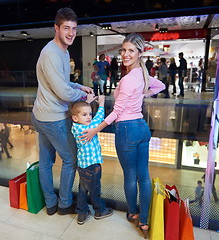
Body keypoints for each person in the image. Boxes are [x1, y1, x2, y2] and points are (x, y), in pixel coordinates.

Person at [80, 33, 165, 239]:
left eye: (131, 51)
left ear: (139, 53)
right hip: (142, 127)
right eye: (123, 50)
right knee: (143, 176)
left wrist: (94, 130)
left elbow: (116, 113)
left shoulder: (128, 80)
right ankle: (144, 221)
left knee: (130, 176)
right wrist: (141, 94)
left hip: (126, 130)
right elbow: (160, 86)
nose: (125, 54)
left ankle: (133, 212)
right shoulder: (142, 76)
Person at [31, 7, 94, 216]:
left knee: (46, 162)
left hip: (42, 115)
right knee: (71, 160)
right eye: (66, 28)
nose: (71, 33)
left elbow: (61, 82)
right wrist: (84, 97)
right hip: (53, 118)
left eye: (74, 29)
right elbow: (61, 91)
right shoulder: (51, 53)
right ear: (56, 28)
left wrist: (78, 87)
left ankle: (50, 204)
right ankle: (64, 204)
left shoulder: (62, 51)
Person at [70, 96, 113, 225]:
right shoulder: (86, 129)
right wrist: (101, 104)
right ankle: (99, 210)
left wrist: (86, 103)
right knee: (95, 190)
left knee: (83, 189)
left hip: (83, 166)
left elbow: (80, 114)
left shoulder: (75, 127)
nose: (89, 117)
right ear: (75, 118)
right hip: (92, 166)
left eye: (90, 114)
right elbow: (99, 120)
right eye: (85, 115)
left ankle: (82, 212)